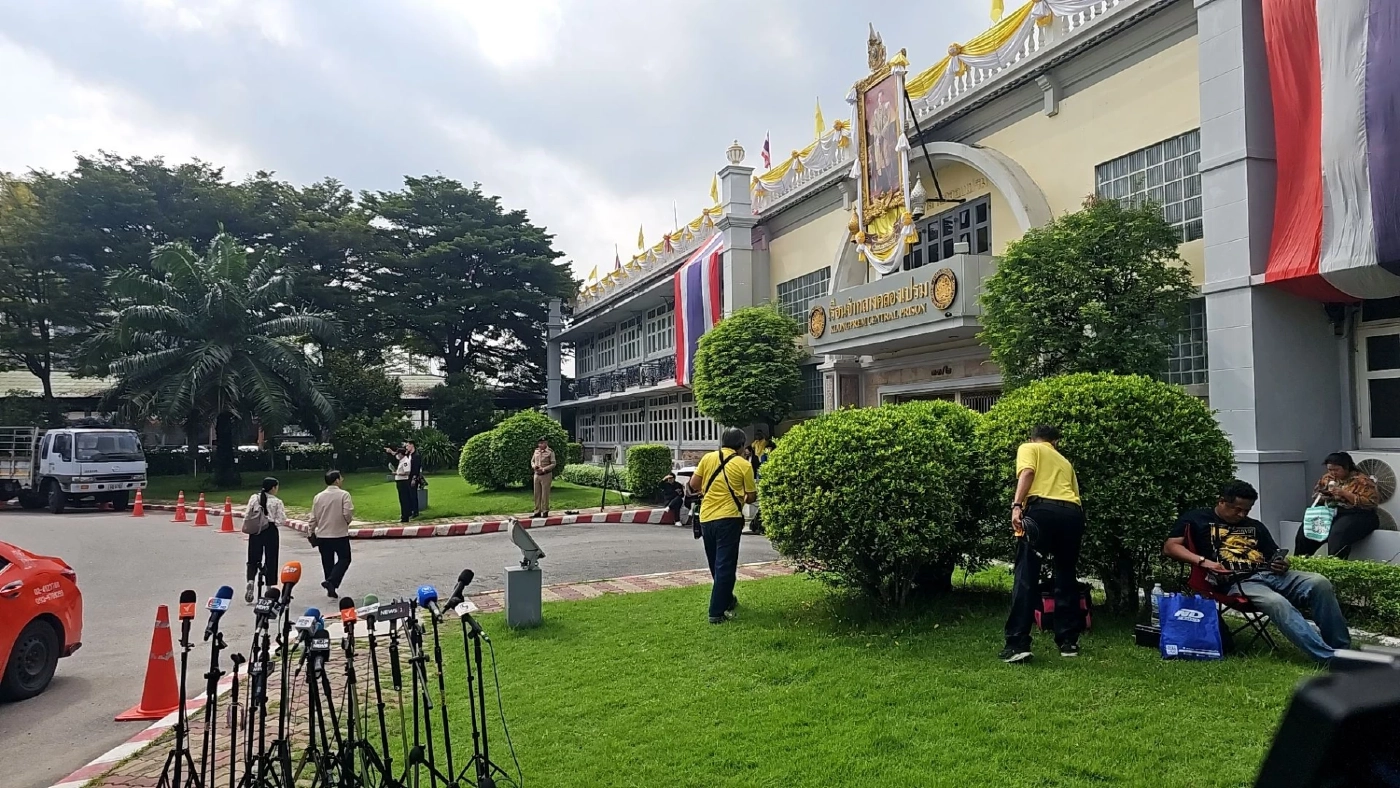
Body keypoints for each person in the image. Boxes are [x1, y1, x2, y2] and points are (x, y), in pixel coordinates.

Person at [1165, 479, 1351, 664]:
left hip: (1270, 574)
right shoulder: (1197, 519)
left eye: (1247, 510)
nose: (1241, 514)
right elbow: (1170, 547)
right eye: (1237, 509)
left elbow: (1274, 554)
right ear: (1221, 501)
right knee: (1276, 602)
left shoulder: (1255, 526)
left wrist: (1281, 563)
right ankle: (1328, 658)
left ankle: (1342, 649)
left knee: (1319, 582)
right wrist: (1204, 562)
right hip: (1238, 583)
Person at [1002, 425, 1086, 663]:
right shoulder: (1065, 462)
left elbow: (1027, 472)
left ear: (1033, 438)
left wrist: (1017, 506)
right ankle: (1068, 641)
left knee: (1026, 575)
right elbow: (1074, 494)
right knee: (1066, 575)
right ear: (1055, 443)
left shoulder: (1029, 448)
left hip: (1042, 512)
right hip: (1072, 514)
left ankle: (1018, 643)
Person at [687, 427, 757, 624]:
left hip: (707, 518)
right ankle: (716, 612)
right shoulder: (743, 465)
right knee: (725, 564)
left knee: (715, 563)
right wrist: (740, 496)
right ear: (741, 445)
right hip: (729, 518)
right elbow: (751, 496)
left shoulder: (708, 458)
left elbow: (694, 484)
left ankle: (727, 599)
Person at [1295, 452, 1380, 559]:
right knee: (1306, 530)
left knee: (1338, 533)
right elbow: (1316, 495)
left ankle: (1336, 563)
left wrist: (1344, 493)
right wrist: (1324, 495)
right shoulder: (1327, 478)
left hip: (1359, 514)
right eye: (1330, 470)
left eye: (1336, 470)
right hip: (1333, 511)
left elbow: (1370, 503)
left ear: (1346, 467)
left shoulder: (1362, 481)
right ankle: (1301, 560)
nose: (1333, 473)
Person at [308, 470, 355, 599]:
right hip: (339, 533)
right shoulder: (344, 495)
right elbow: (348, 513)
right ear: (336, 480)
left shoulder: (318, 496)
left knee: (327, 562)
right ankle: (332, 581)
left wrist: (311, 531)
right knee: (345, 558)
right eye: (341, 478)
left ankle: (330, 586)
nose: (342, 479)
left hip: (323, 534)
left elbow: (313, 517)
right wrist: (346, 522)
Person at [243, 477, 285, 604]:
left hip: (256, 530)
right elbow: (281, 519)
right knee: (271, 559)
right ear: (273, 488)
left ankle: (251, 581)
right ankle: (268, 588)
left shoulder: (254, 498)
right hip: (270, 530)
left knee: (253, 557)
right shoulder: (277, 502)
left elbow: (247, 514)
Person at [531, 437, 557, 518]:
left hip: (546, 474)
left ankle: (545, 511)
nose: (540, 445)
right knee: (537, 494)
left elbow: (553, 464)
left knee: (545, 494)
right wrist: (534, 466)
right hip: (536, 474)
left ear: (546, 443)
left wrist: (544, 469)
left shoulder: (550, 452)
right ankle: (537, 511)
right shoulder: (536, 451)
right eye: (539, 443)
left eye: (542, 443)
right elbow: (532, 461)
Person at [392, 449, 414, 523]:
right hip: (400, 481)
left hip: (403, 482)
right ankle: (404, 514)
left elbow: (407, 472)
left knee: (404, 499)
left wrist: (397, 473)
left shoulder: (405, 461)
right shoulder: (402, 461)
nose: (397, 456)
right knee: (402, 499)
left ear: (401, 454)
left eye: (398, 454)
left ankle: (405, 516)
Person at [404, 439, 424, 519]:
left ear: (412, 445)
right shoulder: (409, 455)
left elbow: (416, 468)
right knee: (408, 494)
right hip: (407, 477)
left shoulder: (416, 456)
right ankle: (410, 510)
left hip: (413, 477)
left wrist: (414, 478)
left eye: (408, 445)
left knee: (413, 494)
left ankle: (415, 511)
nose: (406, 447)